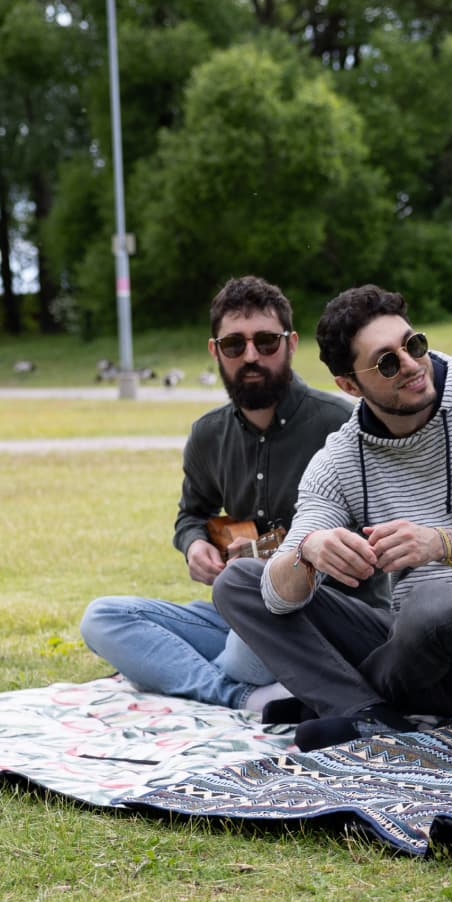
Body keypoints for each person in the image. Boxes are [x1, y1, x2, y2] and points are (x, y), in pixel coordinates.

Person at [212, 285, 452, 750]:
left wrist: (443, 544)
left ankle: (336, 701)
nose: (413, 364)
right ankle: (366, 715)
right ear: (349, 385)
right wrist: (309, 552)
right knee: (238, 581)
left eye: (414, 345)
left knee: (435, 605)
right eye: (387, 362)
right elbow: (278, 597)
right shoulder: (340, 458)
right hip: (407, 650)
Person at [80, 276, 360, 711]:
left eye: (266, 342)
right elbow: (192, 515)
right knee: (102, 618)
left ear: (291, 344)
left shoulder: (341, 425)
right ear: (215, 351)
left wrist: (268, 551)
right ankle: (241, 696)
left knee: (237, 655)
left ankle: (192, 674)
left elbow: (363, 537)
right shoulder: (208, 434)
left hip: (316, 612)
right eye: (234, 345)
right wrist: (194, 546)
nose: (251, 356)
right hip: (237, 611)